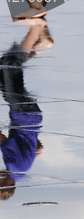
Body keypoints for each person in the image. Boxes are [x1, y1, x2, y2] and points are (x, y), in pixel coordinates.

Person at [0, 19, 51, 200]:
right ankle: (36, 28)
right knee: (10, 66)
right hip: (23, 115)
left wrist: (28, 139)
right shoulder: (13, 165)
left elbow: (39, 148)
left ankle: (39, 45)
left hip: (30, 116)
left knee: (5, 70)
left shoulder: (22, 170)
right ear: (8, 183)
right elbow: (2, 139)